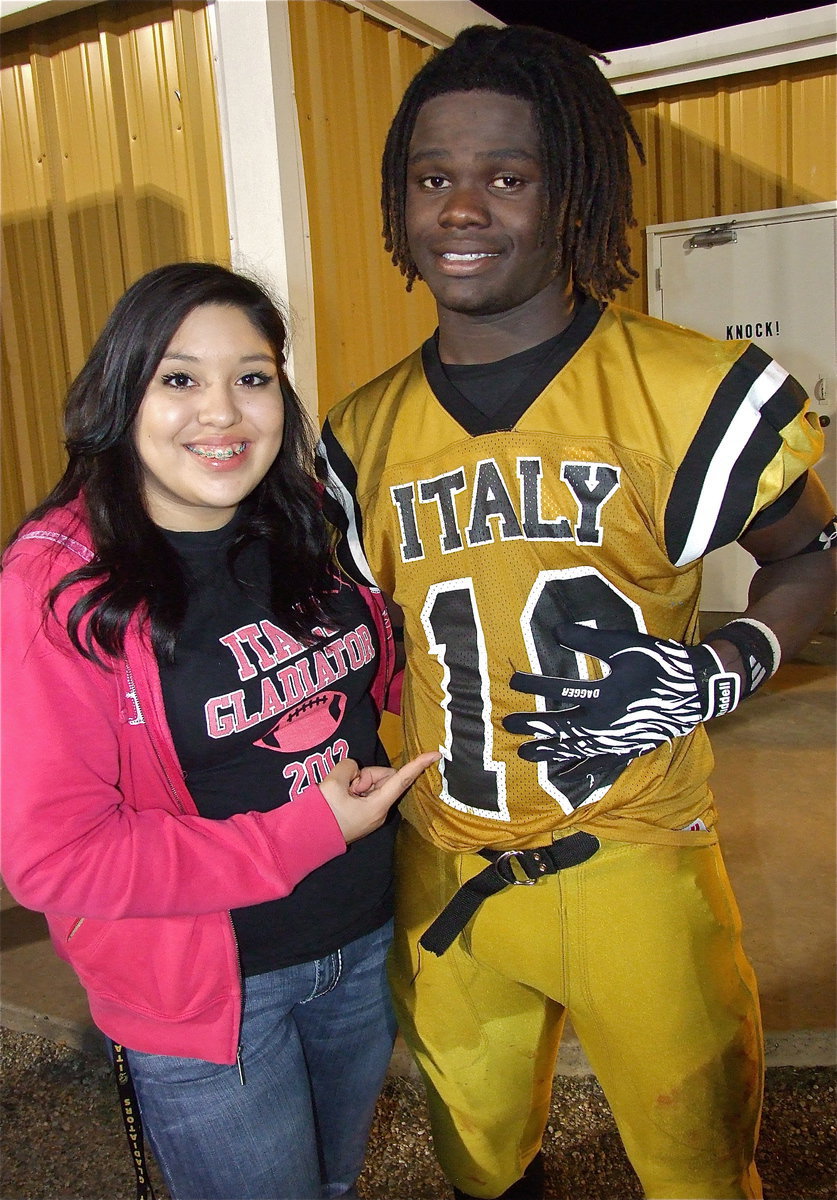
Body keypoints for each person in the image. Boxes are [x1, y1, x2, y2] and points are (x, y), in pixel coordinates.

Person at [316, 24, 837, 1200]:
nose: (462, 208)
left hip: (633, 860)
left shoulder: (684, 388)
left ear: (573, 196)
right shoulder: (355, 435)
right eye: (432, 177)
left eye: (508, 176)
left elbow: (816, 553)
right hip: (444, 867)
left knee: (701, 1167)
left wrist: (724, 664)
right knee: (482, 1167)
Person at [0, 261, 438, 1200]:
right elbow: (56, 859)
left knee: (333, 1185)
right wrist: (310, 830)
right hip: (209, 991)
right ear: (122, 395)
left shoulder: (306, 522)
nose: (223, 413)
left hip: (362, 937)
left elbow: (374, 677)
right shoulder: (57, 588)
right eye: (180, 378)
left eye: (252, 377)